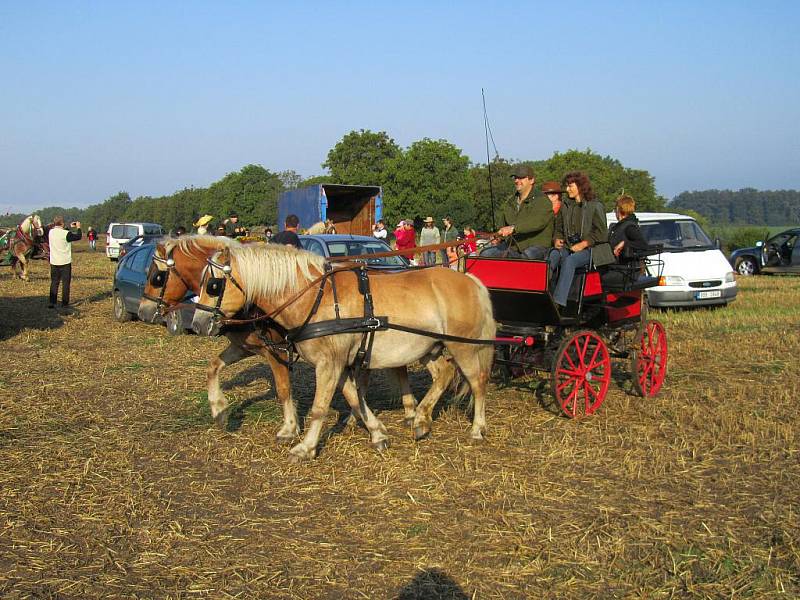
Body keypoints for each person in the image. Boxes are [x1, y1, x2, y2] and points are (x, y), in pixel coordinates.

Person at [548, 171, 608, 309]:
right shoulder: (566, 207)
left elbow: (602, 234)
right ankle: (544, 293)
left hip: (592, 250)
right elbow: (558, 229)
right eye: (567, 186)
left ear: (580, 186)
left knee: (570, 261)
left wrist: (584, 243)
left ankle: (558, 302)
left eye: (570, 186)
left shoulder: (595, 206)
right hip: (569, 248)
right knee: (552, 255)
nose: (567, 189)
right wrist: (557, 239)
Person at [480, 165, 554, 259]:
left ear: (531, 180)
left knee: (525, 257)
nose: (517, 181)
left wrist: (513, 228)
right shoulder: (510, 202)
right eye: (515, 178)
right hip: (513, 247)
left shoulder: (542, 200)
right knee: (485, 254)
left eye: (521, 178)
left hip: (537, 246)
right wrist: (498, 236)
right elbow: (502, 225)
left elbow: (538, 222)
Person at [48, 216, 81, 309]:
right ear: (62, 223)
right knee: (65, 283)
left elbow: (61, 232)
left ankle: (52, 302)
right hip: (65, 261)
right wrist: (78, 227)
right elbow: (78, 236)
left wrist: (68, 228)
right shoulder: (66, 233)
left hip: (54, 261)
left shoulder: (51, 232)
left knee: (54, 282)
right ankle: (64, 303)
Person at [608, 195, 648, 262]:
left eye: (615, 208)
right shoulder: (619, 225)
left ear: (618, 209)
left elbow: (642, 245)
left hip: (624, 268)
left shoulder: (629, 227)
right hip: (615, 265)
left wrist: (624, 244)